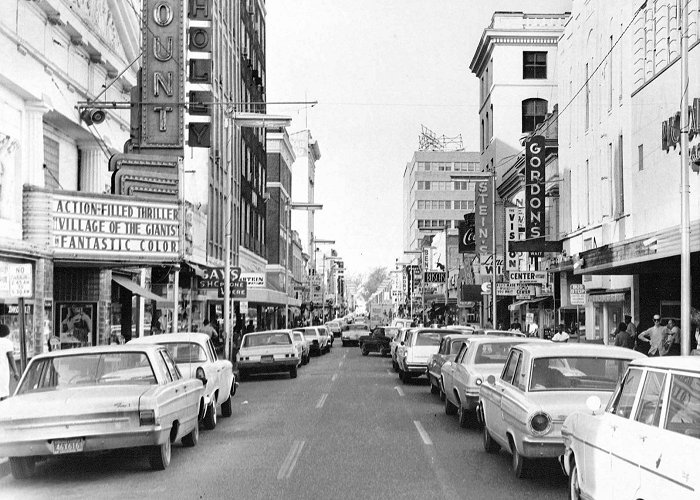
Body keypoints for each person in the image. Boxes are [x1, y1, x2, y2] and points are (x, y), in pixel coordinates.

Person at [0, 324, 21, 401]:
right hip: (2, 372)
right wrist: (15, 371)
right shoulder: (7, 342)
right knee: (4, 393)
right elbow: (11, 357)